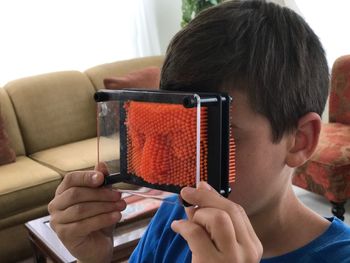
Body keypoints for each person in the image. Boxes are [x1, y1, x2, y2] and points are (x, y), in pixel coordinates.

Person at [48, 1, 350, 262]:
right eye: (175, 134)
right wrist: (95, 259)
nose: (163, 170)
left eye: (211, 138)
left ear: (300, 140)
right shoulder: (174, 215)